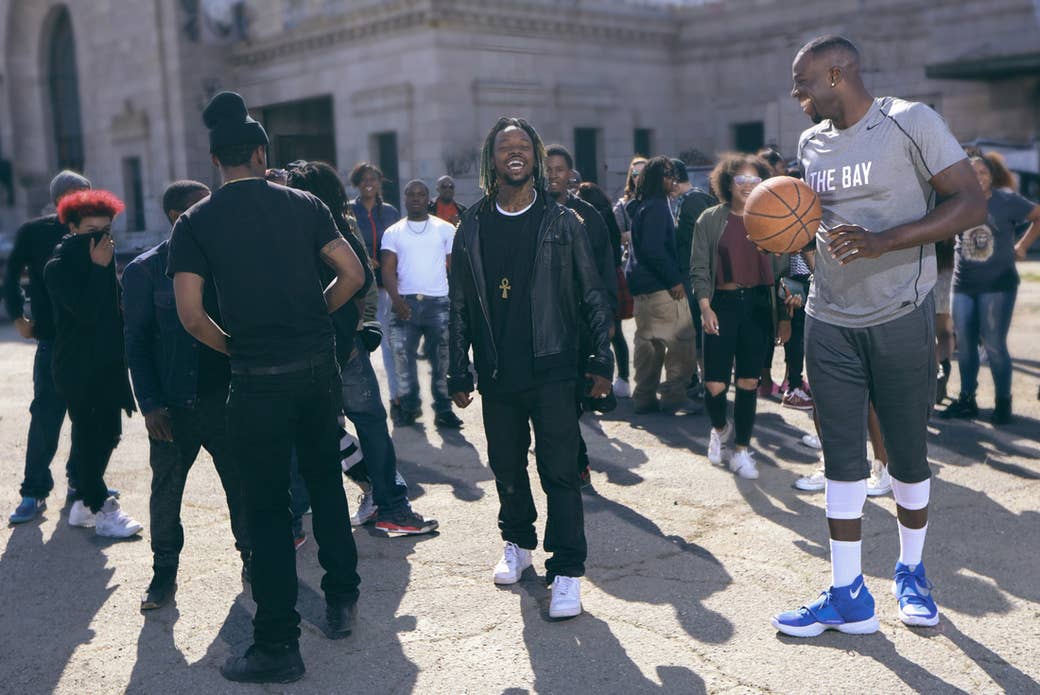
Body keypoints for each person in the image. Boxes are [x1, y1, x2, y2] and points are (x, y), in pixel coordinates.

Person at [774, 36, 985, 637]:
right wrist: (787, 243)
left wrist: (885, 241)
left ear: (837, 74)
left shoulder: (910, 121)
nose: (798, 96)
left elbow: (970, 203)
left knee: (907, 454)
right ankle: (847, 594)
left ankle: (912, 573)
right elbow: (810, 219)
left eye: (805, 83)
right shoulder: (810, 143)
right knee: (841, 459)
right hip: (829, 316)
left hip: (899, 309)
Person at [168, 91, 366, 682]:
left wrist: (236, 345)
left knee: (269, 508)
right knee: (327, 483)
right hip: (315, 368)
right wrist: (315, 317)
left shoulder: (196, 222)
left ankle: (278, 643)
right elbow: (352, 273)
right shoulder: (305, 204)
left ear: (214, 160)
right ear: (261, 152)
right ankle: (342, 597)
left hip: (256, 380)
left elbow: (190, 315)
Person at [447, 117, 613, 619]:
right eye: (504, 147)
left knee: (560, 472)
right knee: (506, 465)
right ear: (491, 159)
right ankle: (518, 543)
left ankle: (566, 571)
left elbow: (593, 295)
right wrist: (458, 369)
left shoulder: (563, 222)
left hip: (555, 367)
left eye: (523, 146)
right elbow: (458, 305)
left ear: (536, 158)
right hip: (498, 372)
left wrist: (601, 358)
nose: (514, 154)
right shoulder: (471, 224)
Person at [286, 162, 438, 535]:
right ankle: (389, 504)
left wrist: (355, 323)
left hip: (320, 347)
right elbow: (361, 282)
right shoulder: (335, 230)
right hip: (340, 346)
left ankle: (297, 518)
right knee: (364, 425)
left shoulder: (292, 233)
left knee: (304, 430)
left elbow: (361, 284)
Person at [123, 180, 252, 609]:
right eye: (202, 208)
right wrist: (151, 405)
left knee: (241, 485)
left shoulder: (228, 261)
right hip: (173, 407)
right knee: (166, 493)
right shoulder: (144, 270)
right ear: (179, 218)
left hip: (225, 400)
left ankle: (252, 560)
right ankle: (164, 576)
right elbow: (137, 343)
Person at [44, 190, 143, 538]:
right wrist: (101, 270)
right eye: (89, 229)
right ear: (72, 228)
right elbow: (85, 313)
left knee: (110, 434)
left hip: (109, 364)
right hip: (76, 367)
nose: (99, 236)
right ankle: (101, 505)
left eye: (105, 228)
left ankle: (83, 505)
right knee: (88, 436)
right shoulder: (58, 267)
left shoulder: (103, 256)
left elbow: (115, 312)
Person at [690, 154, 791, 480]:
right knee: (714, 384)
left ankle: (742, 451)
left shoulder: (770, 218)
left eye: (754, 180)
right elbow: (699, 268)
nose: (748, 187)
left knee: (749, 381)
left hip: (759, 305)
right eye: (741, 180)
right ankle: (720, 428)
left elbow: (782, 272)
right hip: (723, 304)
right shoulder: (709, 219)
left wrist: (785, 313)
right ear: (728, 184)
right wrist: (705, 306)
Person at [6, 171, 93, 524]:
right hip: (52, 341)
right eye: (77, 194)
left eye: (88, 194)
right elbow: (9, 278)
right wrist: (18, 318)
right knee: (45, 416)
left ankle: (81, 482)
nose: (85, 200)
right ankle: (33, 491)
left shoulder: (94, 229)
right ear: (60, 198)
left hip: (88, 340)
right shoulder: (34, 231)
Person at [940, 154, 1040, 424]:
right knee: (967, 348)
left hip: (998, 285)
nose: (978, 176)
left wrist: (1023, 246)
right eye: (973, 172)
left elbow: (1037, 215)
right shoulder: (958, 201)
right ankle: (967, 401)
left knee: (994, 345)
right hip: (962, 285)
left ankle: (1003, 402)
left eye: (983, 171)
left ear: (991, 176)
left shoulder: (1007, 200)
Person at [545, 144, 619, 485]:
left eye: (559, 169)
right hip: (545, 324)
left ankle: (576, 459)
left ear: (570, 174)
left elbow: (607, 270)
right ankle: (574, 460)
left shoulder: (589, 215)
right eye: (547, 168)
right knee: (554, 399)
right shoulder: (532, 214)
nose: (553, 175)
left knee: (574, 396)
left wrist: (609, 319)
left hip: (582, 321)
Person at [381, 179, 463, 429]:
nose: (416, 198)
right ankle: (408, 407)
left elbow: (456, 269)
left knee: (441, 360)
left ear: (427, 198)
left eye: (420, 194)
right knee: (403, 360)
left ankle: (443, 409)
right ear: (405, 199)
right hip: (404, 303)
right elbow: (387, 270)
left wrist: (455, 302)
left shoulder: (445, 229)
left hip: (438, 303)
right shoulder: (393, 232)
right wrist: (396, 300)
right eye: (410, 194)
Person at [625, 156, 697, 414]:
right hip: (661, 287)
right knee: (682, 342)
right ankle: (675, 396)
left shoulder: (643, 205)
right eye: (668, 175)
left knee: (649, 345)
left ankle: (643, 397)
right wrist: (674, 280)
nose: (673, 180)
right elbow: (655, 250)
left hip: (642, 289)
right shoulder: (657, 206)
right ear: (659, 179)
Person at [350, 162, 403, 422]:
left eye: (373, 178)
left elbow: (398, 245)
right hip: (358, 290)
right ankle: (362, 400)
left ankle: (397, 398)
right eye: (364, 179)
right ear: (357, 182)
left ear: (379, 181)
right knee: (360, 346)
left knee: (391, 345)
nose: (369, 183)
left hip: (386, 288)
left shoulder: (391, 212)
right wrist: (364, 260)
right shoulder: (349, 210)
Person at [671, 157, 717, 399]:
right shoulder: (688, 201)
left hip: (698, 276)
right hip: (692, 274)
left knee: (701, 334)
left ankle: (708, 383)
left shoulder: (694, 201)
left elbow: (709, 240)